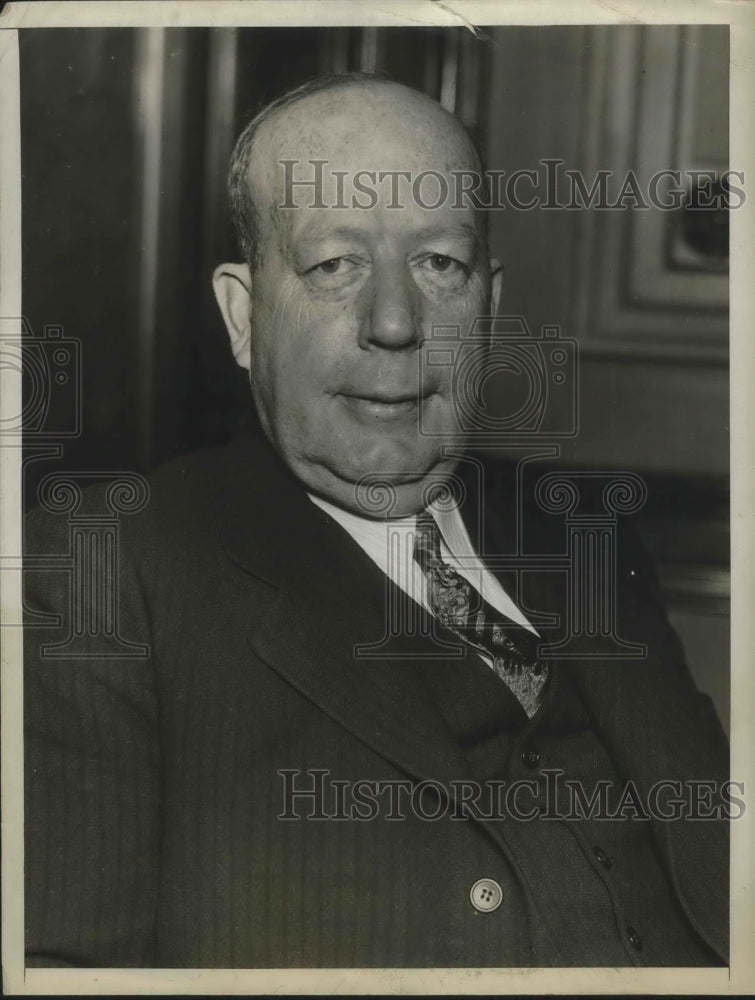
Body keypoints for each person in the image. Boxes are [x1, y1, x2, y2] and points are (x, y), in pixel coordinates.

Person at [23, 73, 729, 969]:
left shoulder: (581, 532)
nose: (395, 322)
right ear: (244, 316)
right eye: (332, 265)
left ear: (490, 308)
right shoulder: (105, 574)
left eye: (440, 264)